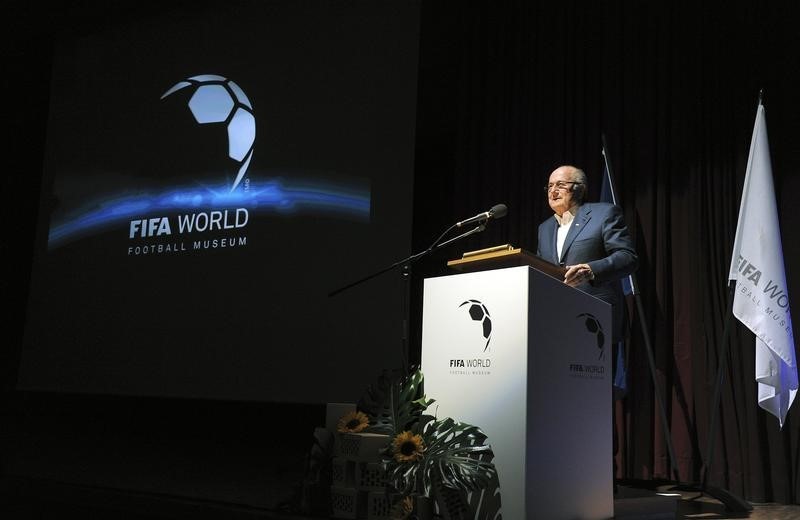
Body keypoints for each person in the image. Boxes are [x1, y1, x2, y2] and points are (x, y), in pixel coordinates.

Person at [537, 165, 638, 345]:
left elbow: (627, 257)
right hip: (556, 321)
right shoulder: (544, 228)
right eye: (549, 186)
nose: (553, 191)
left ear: (580, 188)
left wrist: (591, 270)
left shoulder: (603, 213)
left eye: (560, 185)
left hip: (596, 320)